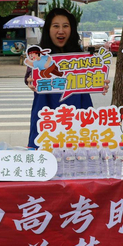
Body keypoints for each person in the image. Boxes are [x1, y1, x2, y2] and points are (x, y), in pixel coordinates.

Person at [26, 8, 96, 148]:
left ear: (72, 29)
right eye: (56, 26)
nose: (61, 31)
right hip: (47, 114)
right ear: (48, 29)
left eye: (65, 26)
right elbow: (29, 75)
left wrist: (101, 82)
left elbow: (95, 78)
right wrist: (30, 80)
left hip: (79, 113)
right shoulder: (39, 55)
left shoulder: (82, 56)